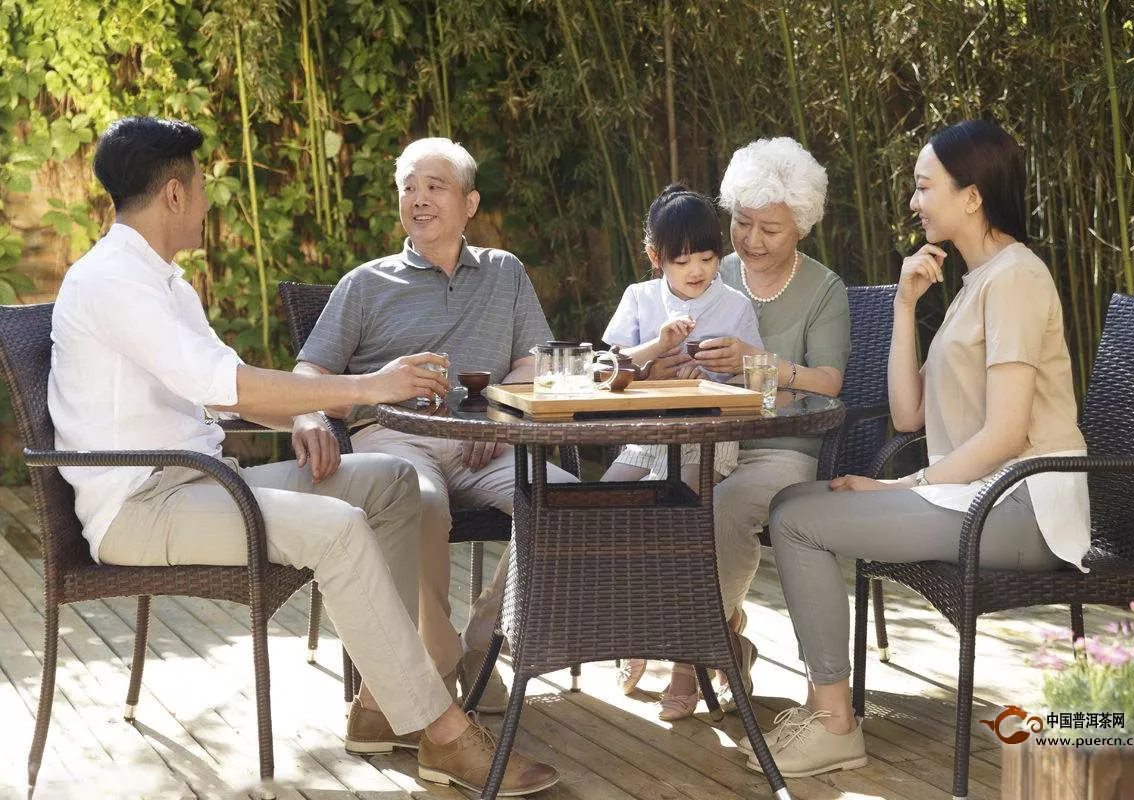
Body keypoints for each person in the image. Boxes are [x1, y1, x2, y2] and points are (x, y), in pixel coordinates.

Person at [49, 116, 558, 796]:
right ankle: (444, 735)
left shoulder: (162, 280)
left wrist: (307, 411)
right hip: (144, 506)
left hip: (201, 483)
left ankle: (381, 704)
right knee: (339, 530)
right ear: (173, 194)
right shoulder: (115, 281)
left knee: (392, 482)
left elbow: (226, 395)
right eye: (200, 185)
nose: (206, 198)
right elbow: (227, 385)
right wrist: (371, 387)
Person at [756, 119, 1088, 779]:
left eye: (923, 186)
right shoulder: (975, 284)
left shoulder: (1017, 280)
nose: (913, 201)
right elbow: (908, 413)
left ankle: (834, 724)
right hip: (981, 497)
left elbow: (1006, 435)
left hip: (1025, 506)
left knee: (796, 520)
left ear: (972, 195)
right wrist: (906, 304)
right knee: (792, 501)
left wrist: (901, 488)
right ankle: (824, 705)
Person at [294, 137, 576, 729]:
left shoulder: (506, 272)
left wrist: (499, 413)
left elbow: (536, 362)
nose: (418, 199)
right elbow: (310, 371)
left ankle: (484, 641)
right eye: (409, 187)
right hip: (396, 439)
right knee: (419, 505)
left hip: (487, 440)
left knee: (566, 505)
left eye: (434, 186)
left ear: (469, 203)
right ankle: (436, 661)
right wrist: (308, 412)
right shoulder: (366, 283)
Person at [639, 137, 851, 717]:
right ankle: (721, 633)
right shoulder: (705, 266)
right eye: (742, 223)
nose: (751, 241)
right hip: (699, 436)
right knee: (648, 492)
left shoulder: (823, 289)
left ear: (800, 227)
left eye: (771, 229)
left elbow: (829, 380)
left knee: (724, 505)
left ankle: (690, 656)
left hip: (781, 444)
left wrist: (757, 365)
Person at [600, 184, 763, 719]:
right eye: (682, 259)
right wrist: (657, 351)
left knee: (681, 523)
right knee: (604, 509)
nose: (697, 270)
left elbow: (753, 382)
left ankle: (685, 661)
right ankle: (636, 630)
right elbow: (607, 372)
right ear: (656, 258)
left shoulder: (734, 304)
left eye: (708, 257)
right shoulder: (640, 299)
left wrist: (719, 368)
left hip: (706, 442)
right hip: (647, 440)